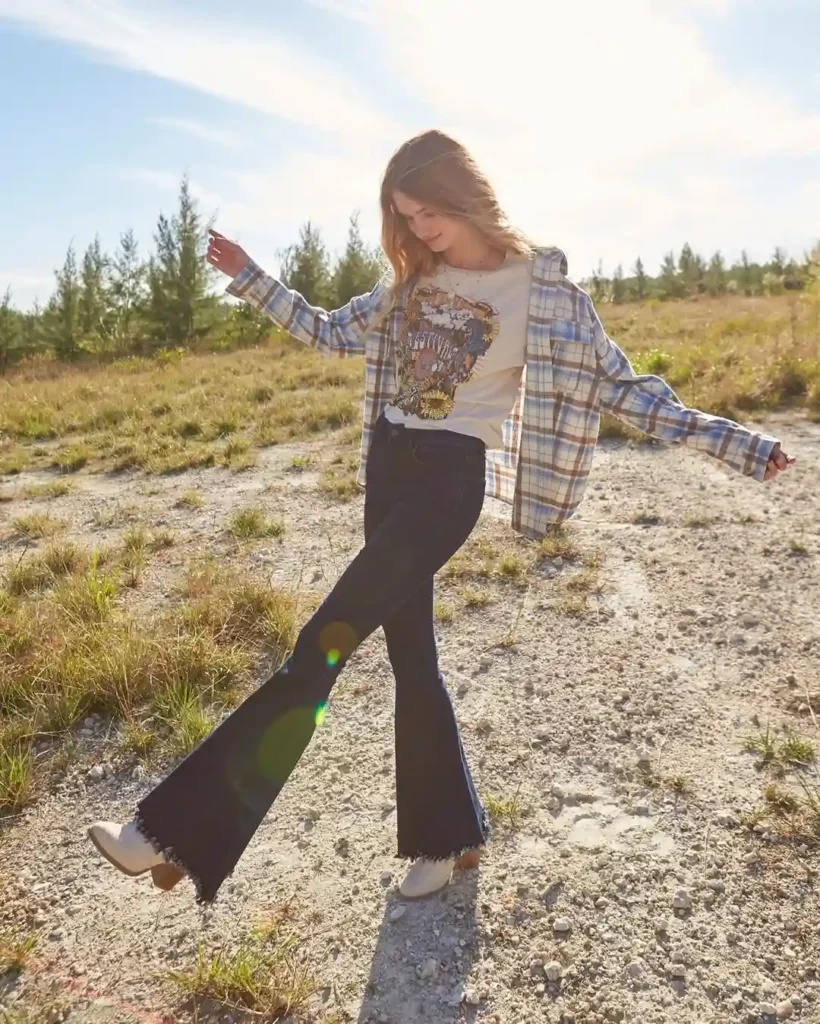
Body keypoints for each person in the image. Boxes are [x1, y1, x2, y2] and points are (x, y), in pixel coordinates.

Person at [87, 129, 795, 905]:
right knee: (412, 662)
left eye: (430, 213)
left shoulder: (544, 291)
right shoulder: (411, 280)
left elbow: (625, 389)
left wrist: (739, 444)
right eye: (405, 217)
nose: (420, 230)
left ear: (467, 198)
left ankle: (170, 835)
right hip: (388, 468)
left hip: (446, 483)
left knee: (321, 647)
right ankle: (449, 840)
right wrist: (252, 277)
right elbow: (329, 331)